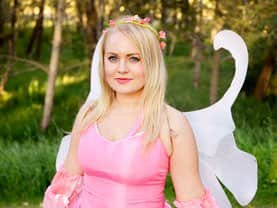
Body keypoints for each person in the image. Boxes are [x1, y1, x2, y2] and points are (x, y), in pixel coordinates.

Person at [42, 14, 256, 208]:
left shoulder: (171, 124)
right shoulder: (90, 114)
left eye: (134, 58)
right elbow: (65, 187)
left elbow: (191, 196)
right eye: (113, 58)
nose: (122, 68)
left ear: (152, 64)